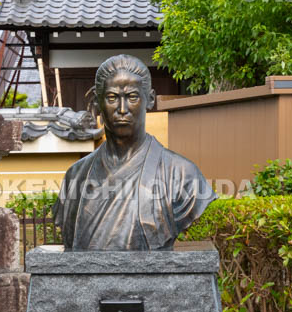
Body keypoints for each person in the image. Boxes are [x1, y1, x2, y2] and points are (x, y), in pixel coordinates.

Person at [53, 55, 216, 251]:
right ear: (98, 101)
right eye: (112, 98)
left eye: (132, 97)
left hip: (152, 278)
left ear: (150, 99)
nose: (122, 109)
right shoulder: (76, 174)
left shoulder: (183, 174)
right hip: (87, 278)